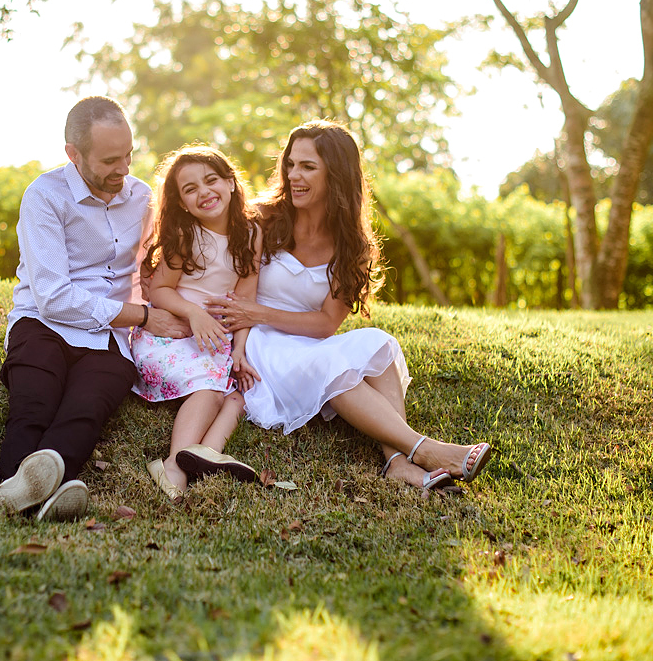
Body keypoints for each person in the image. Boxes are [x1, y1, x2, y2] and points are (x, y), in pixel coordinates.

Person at [206, 121, 492, 491]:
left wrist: (258, 312)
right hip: (258, 344)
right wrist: (251, 316)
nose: (294, 175)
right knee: (333, 365)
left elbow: (326, 324)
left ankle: (396, 462)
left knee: (379, 344)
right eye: (291, 165)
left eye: (308, 167)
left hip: (304, 339)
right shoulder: (264, 218)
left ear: (336, 174)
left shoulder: (353, 246)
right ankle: (424, 449)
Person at [0, 96, 187, 521]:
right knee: (35, 405)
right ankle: (32, 491)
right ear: (73, 154)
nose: (124, 169)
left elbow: (169, 257)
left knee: (86, 411)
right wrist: (144, 316)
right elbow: (54, 296)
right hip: (42, 325)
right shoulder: (44, 196)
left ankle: (32, 494)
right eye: (110, 159)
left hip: (109, 339)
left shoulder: (142, 198)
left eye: (129, 154)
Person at [132, 147, 262, 500]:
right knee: (209, 388)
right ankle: (173, 465)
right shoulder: (185, 234)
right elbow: (159, 290)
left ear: (231, 183)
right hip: (169, 336)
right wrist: (194, 312)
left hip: (212, 340)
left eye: (211, 180)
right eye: (190, 189)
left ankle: (208, 452)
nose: (203, 192)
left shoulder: (250, 234)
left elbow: (245, 304)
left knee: (238, 396)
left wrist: (239, 351)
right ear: (183, 203)